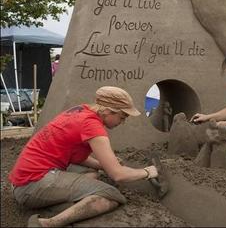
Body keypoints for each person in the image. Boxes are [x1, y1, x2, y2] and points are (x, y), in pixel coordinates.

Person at [8, 86, 159, 227]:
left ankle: (60, 204)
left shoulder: (80, 111)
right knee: (112, 196)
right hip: (32, 185)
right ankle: (47, 223)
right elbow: (118, 175)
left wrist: (103, 165)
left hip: (23, 181)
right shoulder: (92, 125)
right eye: (122, 116)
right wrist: (147, 172)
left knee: (92, 174)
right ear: (108, 111)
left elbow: (75, 157)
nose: (123, 121)